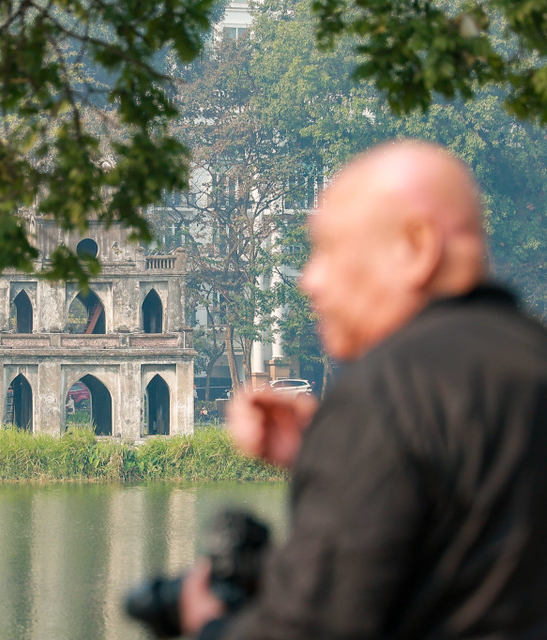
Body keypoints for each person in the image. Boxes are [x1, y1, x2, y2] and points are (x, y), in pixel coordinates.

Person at [180, 140, 547, 638]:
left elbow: (309, 627)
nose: (310, 280)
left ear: (416, 246)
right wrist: (327, 451)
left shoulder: (386, 392)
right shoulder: (528, 359)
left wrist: (208, 624)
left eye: (329, 251)